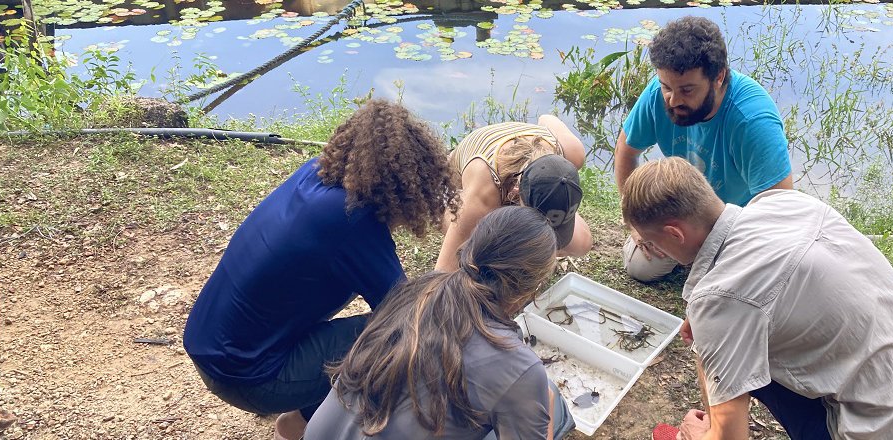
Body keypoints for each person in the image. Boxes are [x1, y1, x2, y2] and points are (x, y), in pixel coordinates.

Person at [182, 100, 461, 440]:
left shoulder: (315, 174)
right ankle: (298, 423)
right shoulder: (353, 221)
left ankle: (298, 397)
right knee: (396, 339)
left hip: (208, 340)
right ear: (405, 184)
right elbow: (408, 314)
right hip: (245, 376)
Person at [621, 158, 893, 440]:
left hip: (875, 427)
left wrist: (705, 434)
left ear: (675, 234)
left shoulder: (719, 298)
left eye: (652, 243)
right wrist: (711, 327)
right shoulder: (779, 203)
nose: (654, 251)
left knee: (718, 360)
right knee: (720, 344)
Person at [305, 206, 575, 439]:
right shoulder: (518, 366)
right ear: (530, 290)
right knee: (553, 407)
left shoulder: (419, 290)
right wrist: (538, 400)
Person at [614, 16, 793, 282]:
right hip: (684, 210)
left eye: (687, 90)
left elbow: (781, 211)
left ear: (718, 77)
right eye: (666, 87)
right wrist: (638, 223)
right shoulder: (660, 93)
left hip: (739, 226)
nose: (673, 100)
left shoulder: (752, 120)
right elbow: (626, 151)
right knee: (641, 267)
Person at [435, 116, 592, 272]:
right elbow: (443, 271)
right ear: (516, 192)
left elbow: (546, 118)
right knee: (476, 248)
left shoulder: (572, 152)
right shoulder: (485, 192)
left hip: (518, 174)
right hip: (453, 181)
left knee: (582, 243)